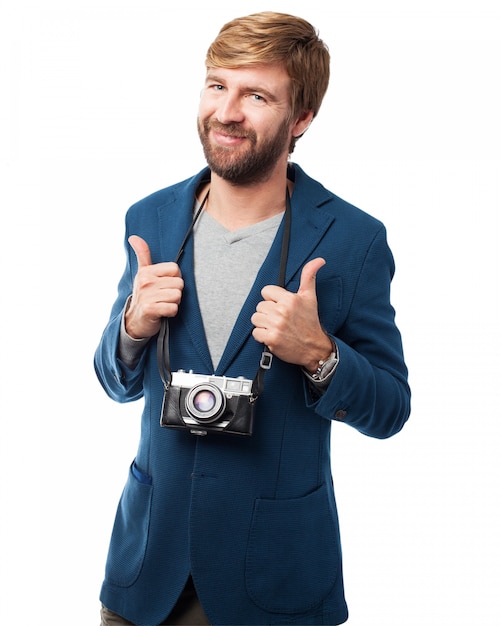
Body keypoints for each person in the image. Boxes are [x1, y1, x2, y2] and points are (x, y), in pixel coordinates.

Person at [94, 11, 411, 626]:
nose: (227, 111)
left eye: (256, 95)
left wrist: (321, 354)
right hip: (145, 575)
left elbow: (391, 409)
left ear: (301, 119)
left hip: (276, 577)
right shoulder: (151, 217)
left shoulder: (354, 239)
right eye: (218, 85)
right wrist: (132, 327)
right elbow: (115, 380)